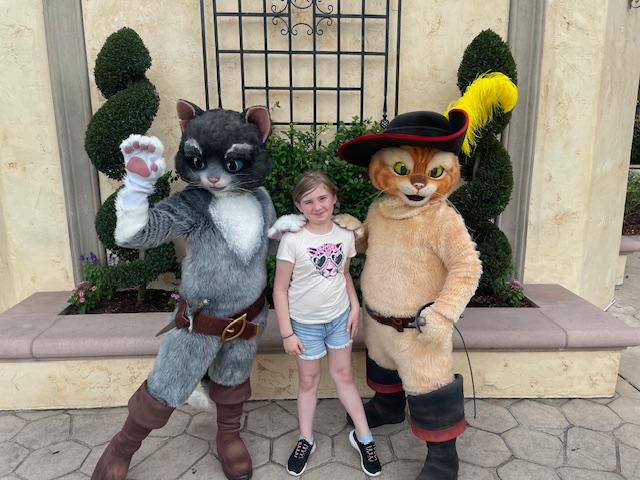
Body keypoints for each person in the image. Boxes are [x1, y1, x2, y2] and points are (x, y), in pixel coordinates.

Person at [271, 171, 382, 477]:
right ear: (298, 205)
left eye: (322, 198)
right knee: (309, 381)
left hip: (339, 318)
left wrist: (355, 306)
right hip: (304, 325)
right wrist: (287, 333)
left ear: (334, 199)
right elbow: (279, 289)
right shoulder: (292, 240)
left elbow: (344, 274)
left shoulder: (345, 235)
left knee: (344, 376)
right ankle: (306, 438)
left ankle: (364, 437)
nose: (317, 206)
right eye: (308, 201)